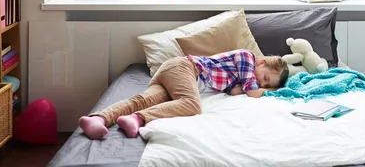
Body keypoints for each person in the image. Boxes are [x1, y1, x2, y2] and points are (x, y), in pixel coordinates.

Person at [78, 49, 289, 139]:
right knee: (192, 105)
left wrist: (244, 88)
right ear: (261, 62)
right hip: (185, 68)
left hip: (176, 76)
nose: (261, 82)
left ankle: (98, 119)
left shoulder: (240, 78)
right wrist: (269, 92)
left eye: (266, 84)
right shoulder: (247, 57)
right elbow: (252, 92)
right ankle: (138, 118)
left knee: (144, 99)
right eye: (266, 78)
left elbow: (237, 91)